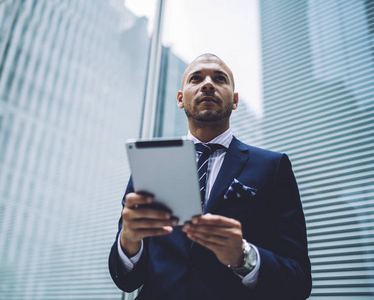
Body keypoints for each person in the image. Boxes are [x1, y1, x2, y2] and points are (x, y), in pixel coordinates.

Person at [109, 53, 312, 299]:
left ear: (235, 100)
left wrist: (244, 257)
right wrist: (129, 241)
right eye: (196, 78)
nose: (207, 84)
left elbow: (299, 280)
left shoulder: (273, 166)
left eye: (219, 79)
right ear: (180, 99)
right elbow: (127, 281)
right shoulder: (151, 164)